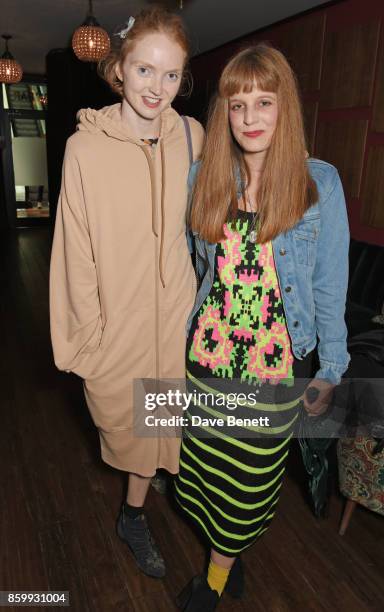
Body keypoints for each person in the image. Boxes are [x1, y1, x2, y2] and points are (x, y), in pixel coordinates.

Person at [174, 43, 350, 610]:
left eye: (264, 102)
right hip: (208, 359)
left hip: (273, 369)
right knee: (206, 473)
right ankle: (230, 558)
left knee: (247, 486)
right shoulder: (204, 175)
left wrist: (333, 367)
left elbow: (328, 284)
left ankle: (216, 579)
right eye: (237, 104)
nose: (249, 118)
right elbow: (205, 272)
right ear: (224, 112)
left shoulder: (318, 182)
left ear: (285, 107)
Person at [49, 7, 204, 579]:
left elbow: (210, 221)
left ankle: (137, 509)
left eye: (170, 76)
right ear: (118, 67)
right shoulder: (84, 150)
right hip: (120, 327)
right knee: (134, 434)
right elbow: (74, 255)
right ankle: (132, 515)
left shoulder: (192, 135)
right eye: (144, 70)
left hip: (178, 324)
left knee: (165, 430)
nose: (156, 88)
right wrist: (87, 344)